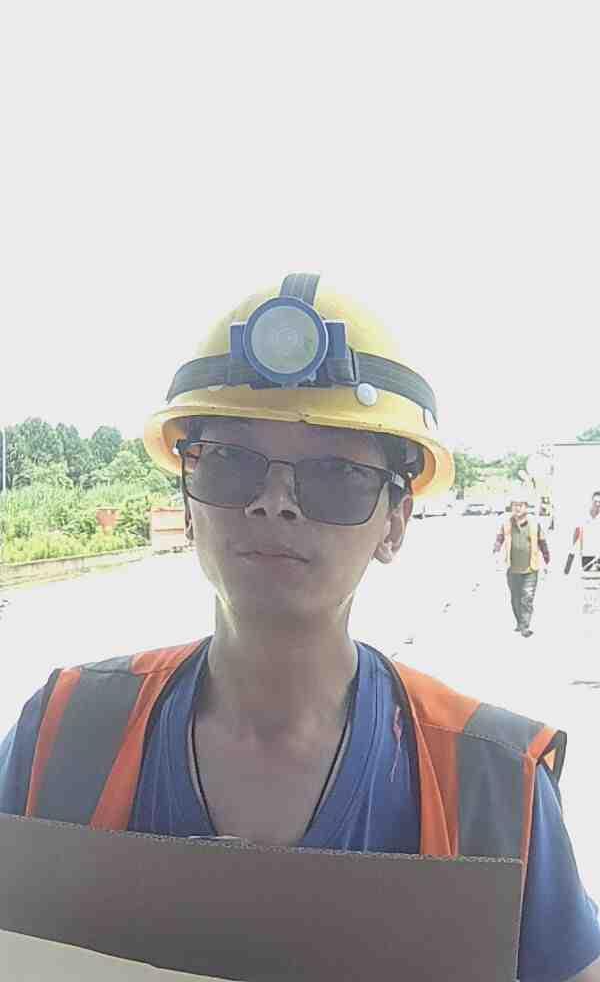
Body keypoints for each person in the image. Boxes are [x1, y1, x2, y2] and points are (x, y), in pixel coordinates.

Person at [1, 274, 599, 982]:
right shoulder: (62, 733)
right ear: (188, 502)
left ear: (395, 522)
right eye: (230, 463)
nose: (274, 503)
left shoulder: (494, 784)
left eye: (336, 475)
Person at [493, 489, 551, 637]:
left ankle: (525, 626)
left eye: (520, 505)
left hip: (531, 568)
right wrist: (496, 551)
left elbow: (542, 542)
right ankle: (519, 622)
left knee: (527, 598)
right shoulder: (506, 524)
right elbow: (499, 539)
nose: (517, 508)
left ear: (526, 507)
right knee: (515, 599)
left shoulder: (534, 524)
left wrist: (547, 559)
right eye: (515, 505)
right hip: (512, 569)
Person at [565, 491, 600, 574]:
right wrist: (568, 566)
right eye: (595, 502)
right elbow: (577, 532)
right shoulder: (583, 515)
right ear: (592, 501)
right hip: (587, 553)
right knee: (587, 577)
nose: (598, 504)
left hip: (598, 553)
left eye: (599, 502)